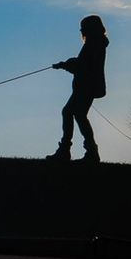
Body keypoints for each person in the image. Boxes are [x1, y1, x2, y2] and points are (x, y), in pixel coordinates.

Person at [47, 15, 108, 163]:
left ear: (91, 28)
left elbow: (83, 65)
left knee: (71, 113)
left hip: (87, 86)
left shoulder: (94, 43)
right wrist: (66, 64)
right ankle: (87, 152)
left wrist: (65, 64)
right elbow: (82, 63)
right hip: (87, 86)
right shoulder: (96, 42)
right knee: (77, 115)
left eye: (84, 27)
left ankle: (70, 151)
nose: (81, 30)